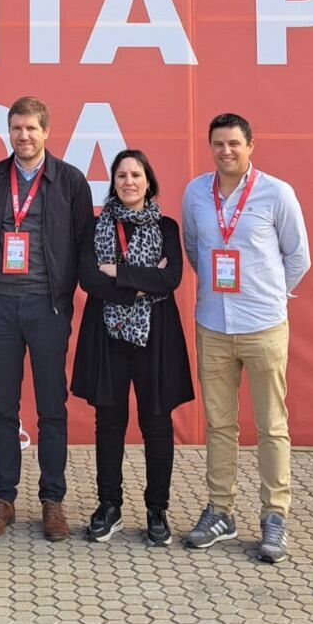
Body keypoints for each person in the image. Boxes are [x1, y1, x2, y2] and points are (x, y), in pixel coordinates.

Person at [180, 113, 310, 564]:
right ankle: (220, 510)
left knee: (272, 424)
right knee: (219, 424)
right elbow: (195, 251)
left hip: (264, 326)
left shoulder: (277, 193)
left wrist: (269, 295)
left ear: (251, 145)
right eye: (218, 144)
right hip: (213, 324)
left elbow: (298, 257)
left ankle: (275, 515)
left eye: (234, 143)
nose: (226, 152)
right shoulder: (196, 193)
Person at [0, 96, 94, 541]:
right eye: (16, 129)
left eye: (31, 129)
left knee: (51, 408)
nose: (23, 136)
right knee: (3, 408)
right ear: (9, 132)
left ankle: (52, 500)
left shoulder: (69, 180)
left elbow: (84, 243)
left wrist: (72, 295)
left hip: (48, 307)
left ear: (47, 132)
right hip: (0, 306)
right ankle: (3, 498)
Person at [72, 149, 193, 546]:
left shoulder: (168, 227)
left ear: (149, 182)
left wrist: (118, 273)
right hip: (107, 336)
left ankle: (157, 509)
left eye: (136, 174)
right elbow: (89, 278)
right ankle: (110, 506)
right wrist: (142, 282)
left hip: (155, 337)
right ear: (113, 182)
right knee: (109, 422)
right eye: (121, 175)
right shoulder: (95, 226)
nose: (129, 182)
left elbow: (171, 278)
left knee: (157, 423)